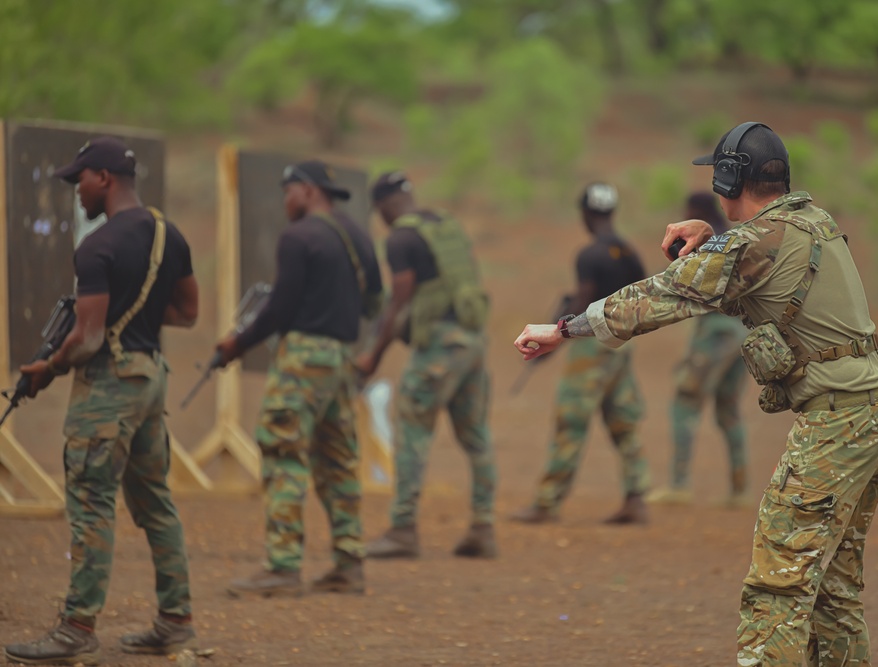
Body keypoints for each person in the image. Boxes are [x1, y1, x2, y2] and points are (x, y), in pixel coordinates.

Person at [513, 122, 878, 666]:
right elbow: (759, 244)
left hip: (837, 423)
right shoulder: (815, 220)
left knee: (778, 585)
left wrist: (561, 330)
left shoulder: (748, 244)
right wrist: (717, 234)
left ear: (727, 180)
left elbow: (661, 294)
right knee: (834, 590)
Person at [4, 137, 200, 665]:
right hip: (151, 376)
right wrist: (134, 320)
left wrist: (46, 368)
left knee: (91, 504)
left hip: (110, 384)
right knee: (155, 501)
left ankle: (76, 629)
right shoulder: (168, 234)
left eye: (80, 180)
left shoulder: (98, 246)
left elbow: (87, 340)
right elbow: (187, 314)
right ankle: (175, 620)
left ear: (105, 178)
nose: (77, 191)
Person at [220, 160, 383, 598]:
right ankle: (349, 564)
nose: (284, 200)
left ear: (308, 191)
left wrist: (237, 343)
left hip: (302, 357)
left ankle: (283, 565)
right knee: (337, 458)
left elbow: (279, 309)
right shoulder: (358, 236)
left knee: (282, 448)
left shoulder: (298, 236)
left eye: (286, 190)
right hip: (340, 359)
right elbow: (375, 300)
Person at [355, 171, 496, 559]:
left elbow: (397, 301)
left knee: (412, 429)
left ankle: (402, 529)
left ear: (383, 207)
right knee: (476, 434)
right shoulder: (446, 226)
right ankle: (483, 527)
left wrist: (372, 355)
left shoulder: (400, 238)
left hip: (439, 346)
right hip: (472, 341)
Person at [511, 183, 650, 525]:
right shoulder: (628, 253)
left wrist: (557, 332)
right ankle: (636, 497)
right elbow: (642, 295)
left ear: (586, 214)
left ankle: (547, 502)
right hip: (619, 345)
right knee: (624, 422)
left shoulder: (589, 256)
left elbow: (582, 302)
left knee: (570, 422)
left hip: (589, 346)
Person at [647, 192, 750, 507]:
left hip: (716, 332)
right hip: (743, 334)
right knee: (728, 409)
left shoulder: (711, 243)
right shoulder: (735, 239)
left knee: (685, 400)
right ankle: (739, 490)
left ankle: (679, 485)